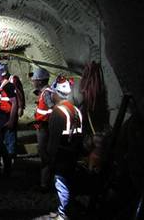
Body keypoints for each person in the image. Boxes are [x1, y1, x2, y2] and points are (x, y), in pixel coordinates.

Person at [47, 75, 83, 220]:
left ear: (56, 93)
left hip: (61, 155)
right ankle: (69, 209)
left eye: (52, 92)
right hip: (74, 153)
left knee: (61, 185)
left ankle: (64, 213)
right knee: (70, 182)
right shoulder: (76, 110)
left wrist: (50, 157)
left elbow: (54, 139)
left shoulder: (58, 111)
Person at [0, 60, 18, 177]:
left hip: (3, 117)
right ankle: (6, 166)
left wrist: (11, 120)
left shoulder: (8, 86)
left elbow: (15, 103)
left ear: (1, 72)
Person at [30, 67, 55, 192]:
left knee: (45, 155)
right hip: (42, 126)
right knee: (44, 154)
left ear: (40, 81)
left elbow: (53, 109)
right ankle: (45, 182)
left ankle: (45, 185)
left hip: (44, 128)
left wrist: (46, 121)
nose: (33, 81)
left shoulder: (46, 94)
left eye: (34, 79)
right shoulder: (45, 92)